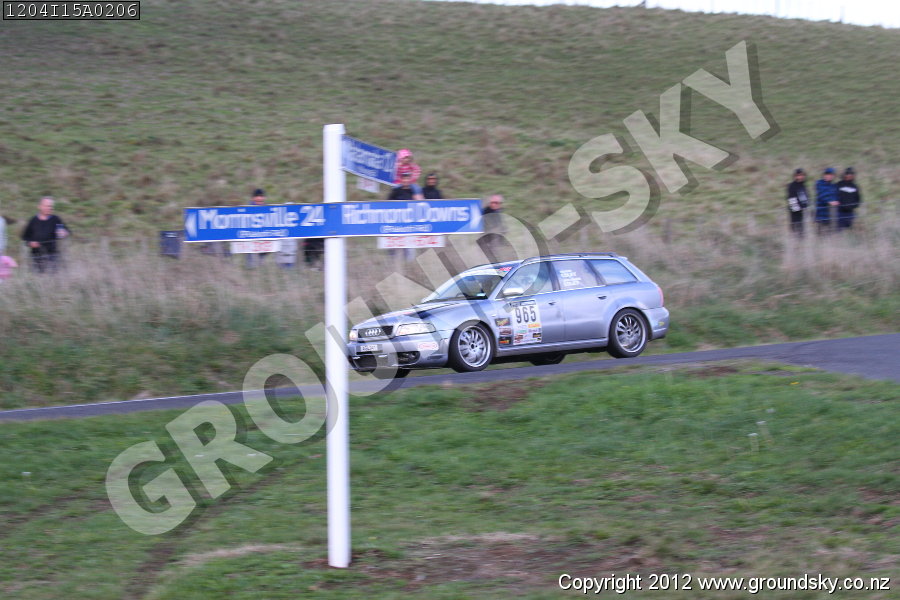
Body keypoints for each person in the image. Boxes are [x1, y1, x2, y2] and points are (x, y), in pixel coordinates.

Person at [21, 196, 69, 273]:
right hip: (36, 256)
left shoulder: (56, 219)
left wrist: (64, 233)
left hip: (52, 255)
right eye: (47, 206)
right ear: (39, 206)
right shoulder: (33, 220)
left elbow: (66, 231)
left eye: (51, 206)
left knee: (52, 277)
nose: (49, 208)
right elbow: (25, 237)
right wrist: (30, 243)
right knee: (38, 277)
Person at [479, 194, 507, 261]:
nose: (496, 205)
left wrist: (503, 229)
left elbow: (499, 223)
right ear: (490, 203)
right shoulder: (485, 211)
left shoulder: (497, 211)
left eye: (499, 203)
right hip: (486, 235)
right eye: (494, 203)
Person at [785, 168, 809, 237]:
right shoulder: (792, 186)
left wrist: (807, 207)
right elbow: (791, 199)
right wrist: (798, 209)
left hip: (803, 212)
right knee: (796, 231)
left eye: (802, 175)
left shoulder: (803, 186)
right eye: (798, 175)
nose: (800, 177)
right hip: (795, 213)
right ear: (795, 176)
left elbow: (806, 198)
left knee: (803, 232)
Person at [814, 167, 838, 234]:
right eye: (827, 174)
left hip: (831, 215)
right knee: (821, 234)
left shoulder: (833, 186)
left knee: (831, 234)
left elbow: (835, 196)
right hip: (821, 215)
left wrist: (836, 201)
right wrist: (830, 201)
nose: (829, 176)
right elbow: (822, 195)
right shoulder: (819, 183)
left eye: (831, 175)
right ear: (824, 175)